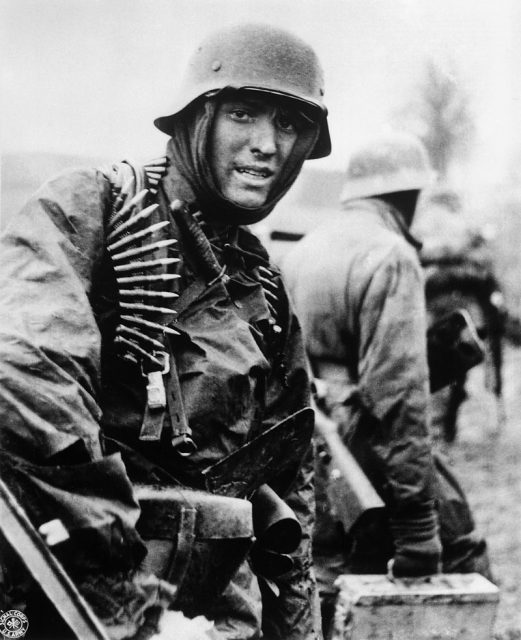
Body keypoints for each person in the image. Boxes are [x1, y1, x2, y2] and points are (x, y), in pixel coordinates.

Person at [0, 23, 331, 640]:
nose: (267, 145)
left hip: (212, 610)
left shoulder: (262, 287)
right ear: (195, 119)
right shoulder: (91, 209)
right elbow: (27, 379)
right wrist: (130, 602)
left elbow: (291, 482)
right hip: (63, 594)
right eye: (242, 114)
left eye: (289, 125)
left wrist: (295, 630)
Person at [281, 132, 491, 632]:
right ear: (407, 195)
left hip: (315, 442)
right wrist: (419, 526)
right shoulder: (391, 254)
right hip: (369, 440)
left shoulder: (302, 251)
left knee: (329, 570)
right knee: (461, 548)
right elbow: (397, 397)